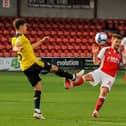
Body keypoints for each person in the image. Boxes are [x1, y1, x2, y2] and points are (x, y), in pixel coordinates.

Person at [11, 18, 83, 120]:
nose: (26, 27)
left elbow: (30, 47)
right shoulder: (20, 37)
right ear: (21, 26)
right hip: (33, 64)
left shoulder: (14, 38)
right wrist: (17, 48)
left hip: (25, 68)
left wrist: (41, 41)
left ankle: (37, 111)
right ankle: (73, 77)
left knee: (38, 87)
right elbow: (15, 47)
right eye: (26, 26)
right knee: (53, 68)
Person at [65, 33, 124, 118]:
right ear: (112, 41)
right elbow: (96, 62)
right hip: (101, 71)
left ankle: (96, 111)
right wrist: (95, 54)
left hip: (110, 77)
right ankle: (71, 85)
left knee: (103, 92)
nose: (118, 43)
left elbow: (124, 65)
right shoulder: (105, 50)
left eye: (119, 42)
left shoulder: (120, 55)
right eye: (116, 41)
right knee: (86, 77)